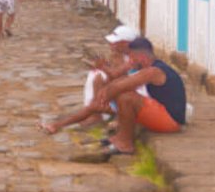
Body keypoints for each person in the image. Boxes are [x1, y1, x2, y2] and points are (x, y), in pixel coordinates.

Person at [40, 37, 186, 155]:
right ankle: (120, 137)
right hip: (163, 114)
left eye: (132, 58)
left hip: (171, 122)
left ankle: (126, 144)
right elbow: (120, 82)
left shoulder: (153, 71)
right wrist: (105, 96)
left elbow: (121, 85)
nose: (130, 61)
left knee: (127, 97)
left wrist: (104, 97)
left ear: (141, 57)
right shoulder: (150, 68)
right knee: (122, 95)